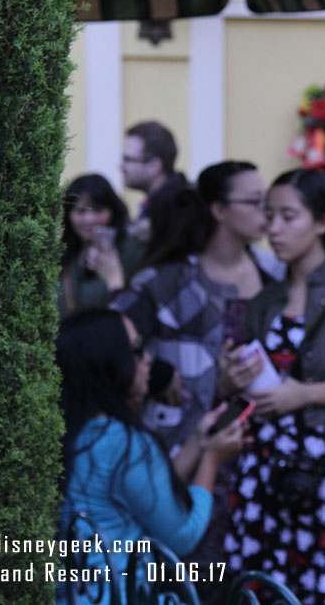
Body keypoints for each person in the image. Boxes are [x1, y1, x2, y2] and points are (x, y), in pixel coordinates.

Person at [56, 308, 244, 603]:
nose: (148, 360)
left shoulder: (72, 432)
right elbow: (182, 535)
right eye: (136, 349)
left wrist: (197, 442)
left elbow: (146, 496)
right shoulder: (124, 442)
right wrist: (212, 461)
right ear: (108, 364)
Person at [220, 168, 325, 605]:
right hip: (265, 463)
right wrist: (231, 378)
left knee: (323, 582)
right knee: (268, 583)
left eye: (288, 216)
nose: (272, 228)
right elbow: (236, 388)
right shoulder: (264, 301)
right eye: (268, 215)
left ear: (323, 222)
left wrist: (304, 395)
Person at [112, 160, 283, 449]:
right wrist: (158, 375)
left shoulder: (276, 273)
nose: (265, 213)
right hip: (180, 445)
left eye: (267, 202)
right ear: (219, 211)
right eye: (255, 202)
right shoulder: (166, 283)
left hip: (263, 446)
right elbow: (107, 337)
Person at [58, 174, 139, 318]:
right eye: (80, 211)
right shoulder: (61, 252)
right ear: (68, 214)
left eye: (98, 210)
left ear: (113, 212)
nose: (89, 220)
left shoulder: (130, 250)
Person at [120, 120, 189, 248]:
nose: (121, 166)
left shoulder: (177, 208)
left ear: (154, 166)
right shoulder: (168, 202)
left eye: (128, 159)